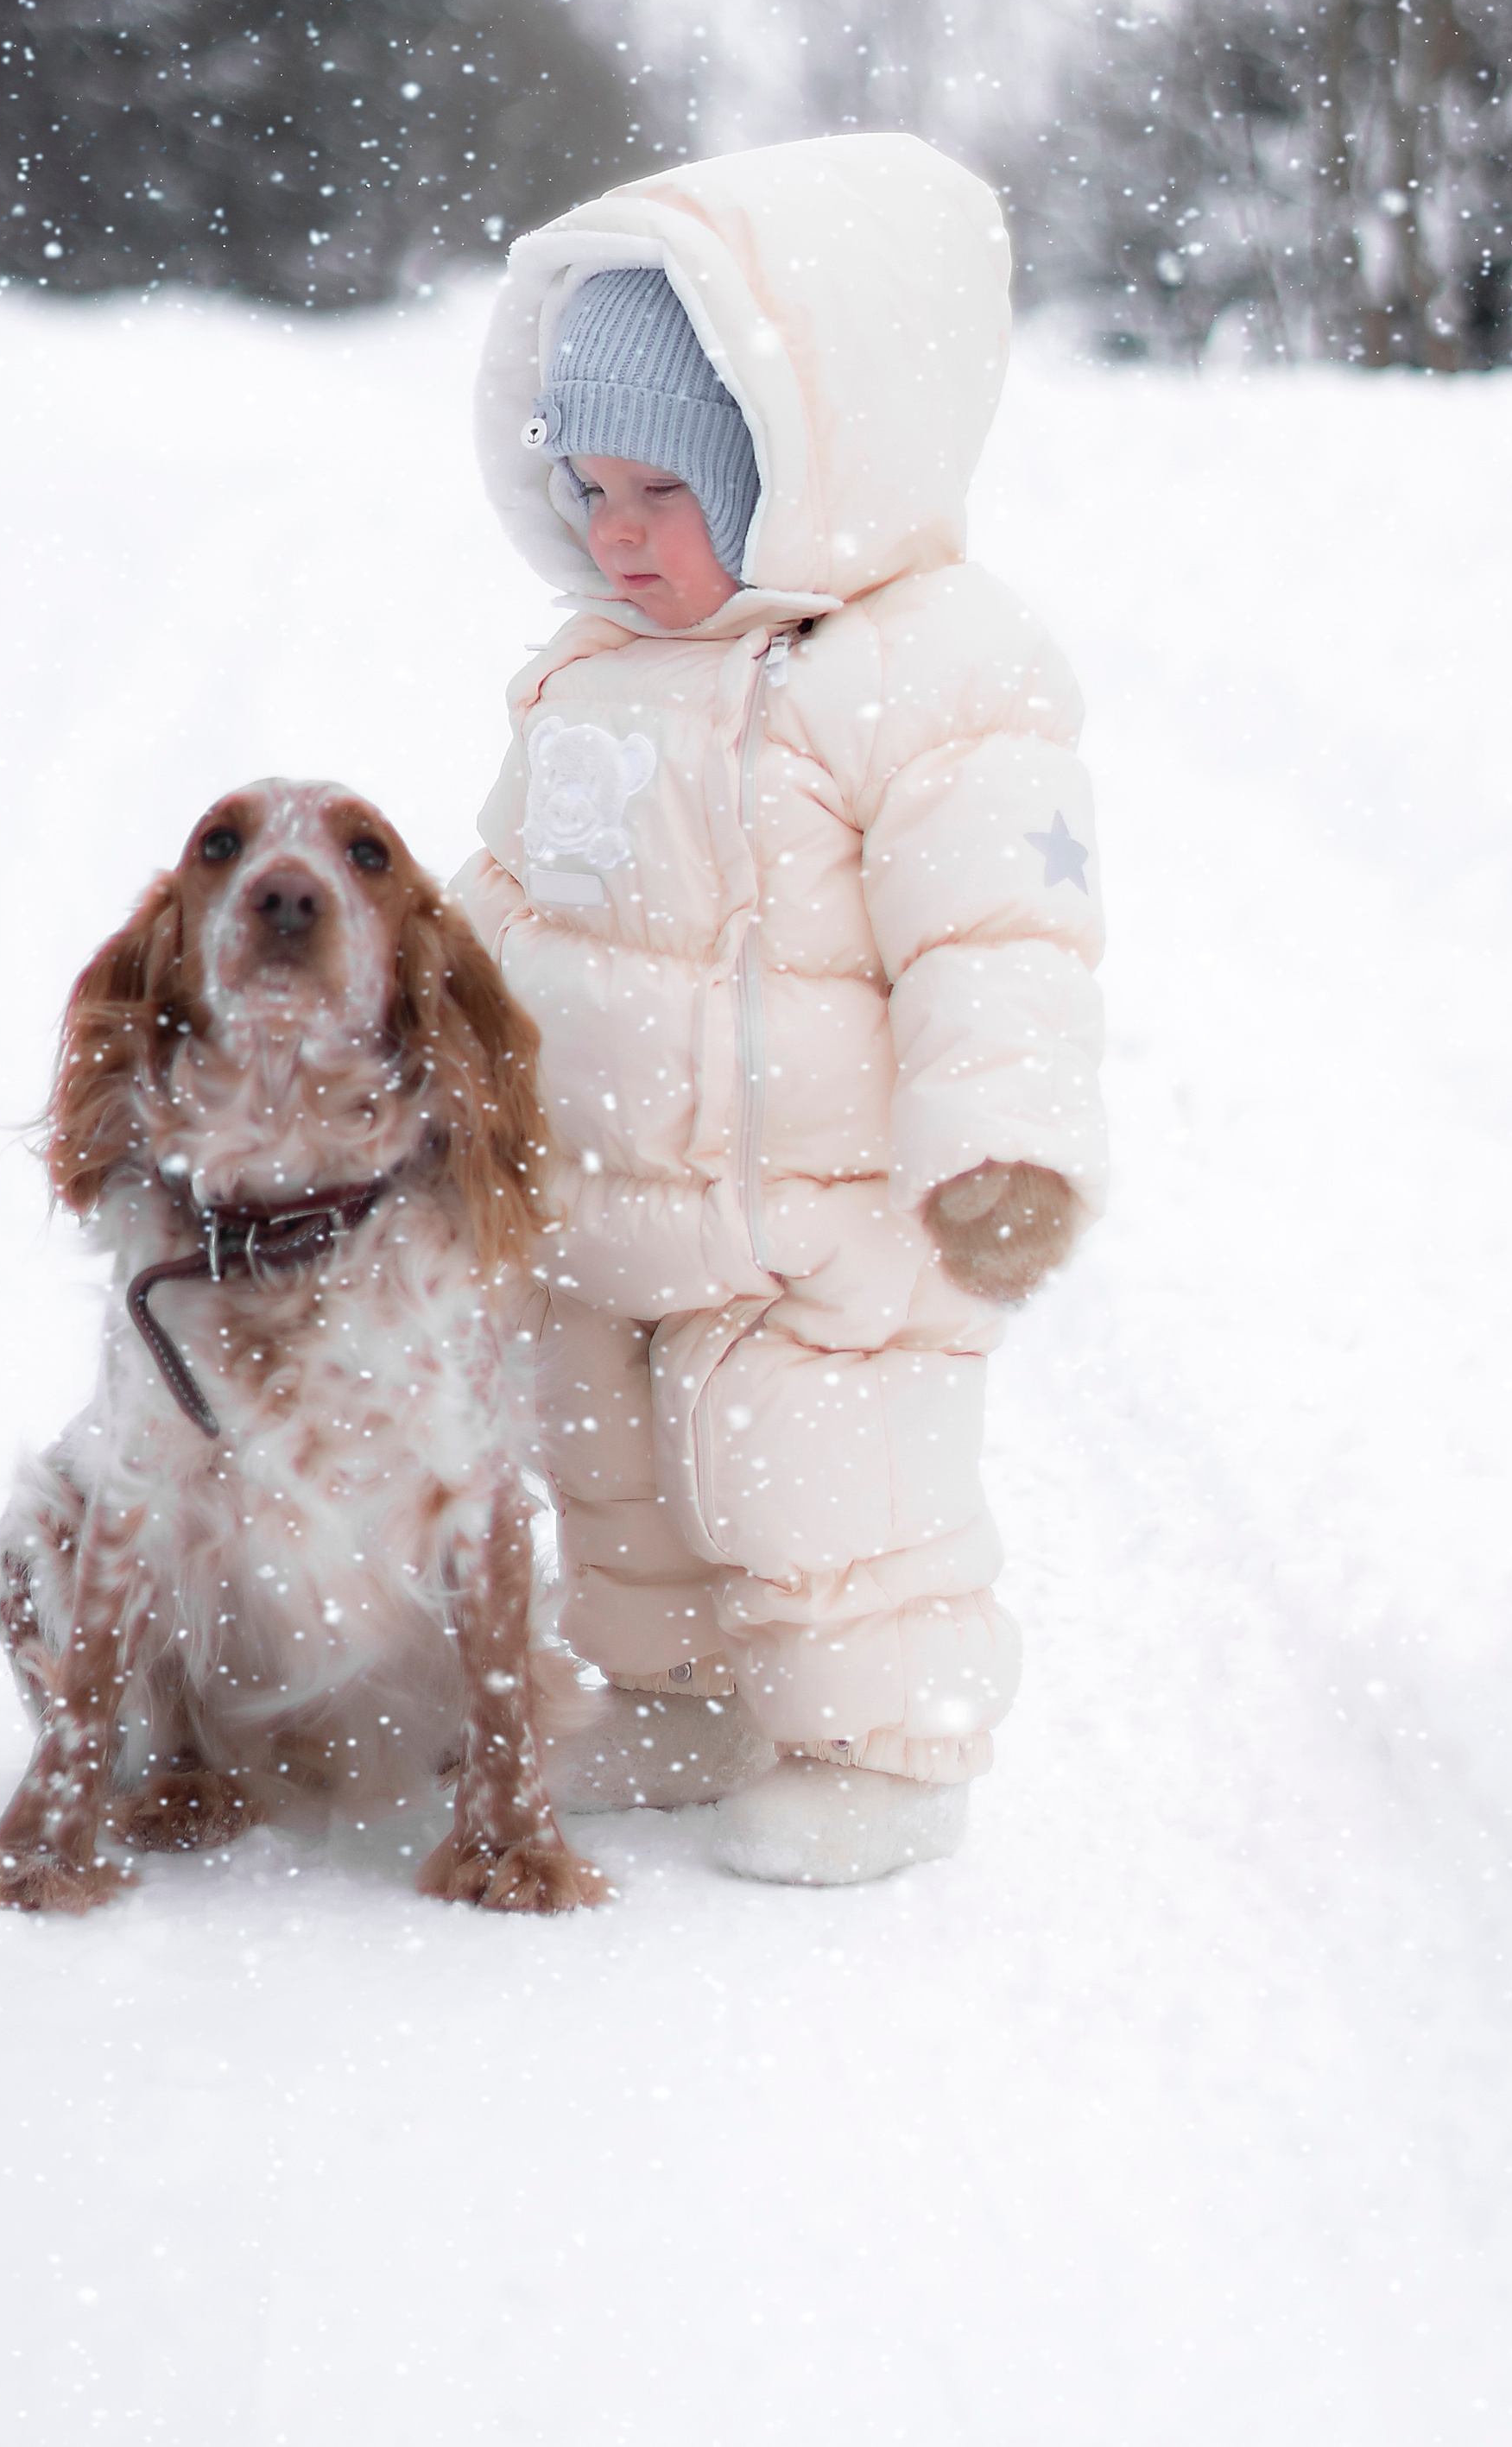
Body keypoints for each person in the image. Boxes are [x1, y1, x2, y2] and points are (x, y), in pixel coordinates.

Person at [454, 134, 1107, 1884]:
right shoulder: (589, 672)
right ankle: (665, 1697)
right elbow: (510, 901)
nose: (611, 531)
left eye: (658, 490)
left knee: (820, 1490)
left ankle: (880, 1744)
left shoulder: (928, 673)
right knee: (608, 1472)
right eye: (583, 487)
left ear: (800, 461)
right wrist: (415, 1035)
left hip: (817, 1231)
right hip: (600, 1209)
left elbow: (1000, 937)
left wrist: (1007, 1139)